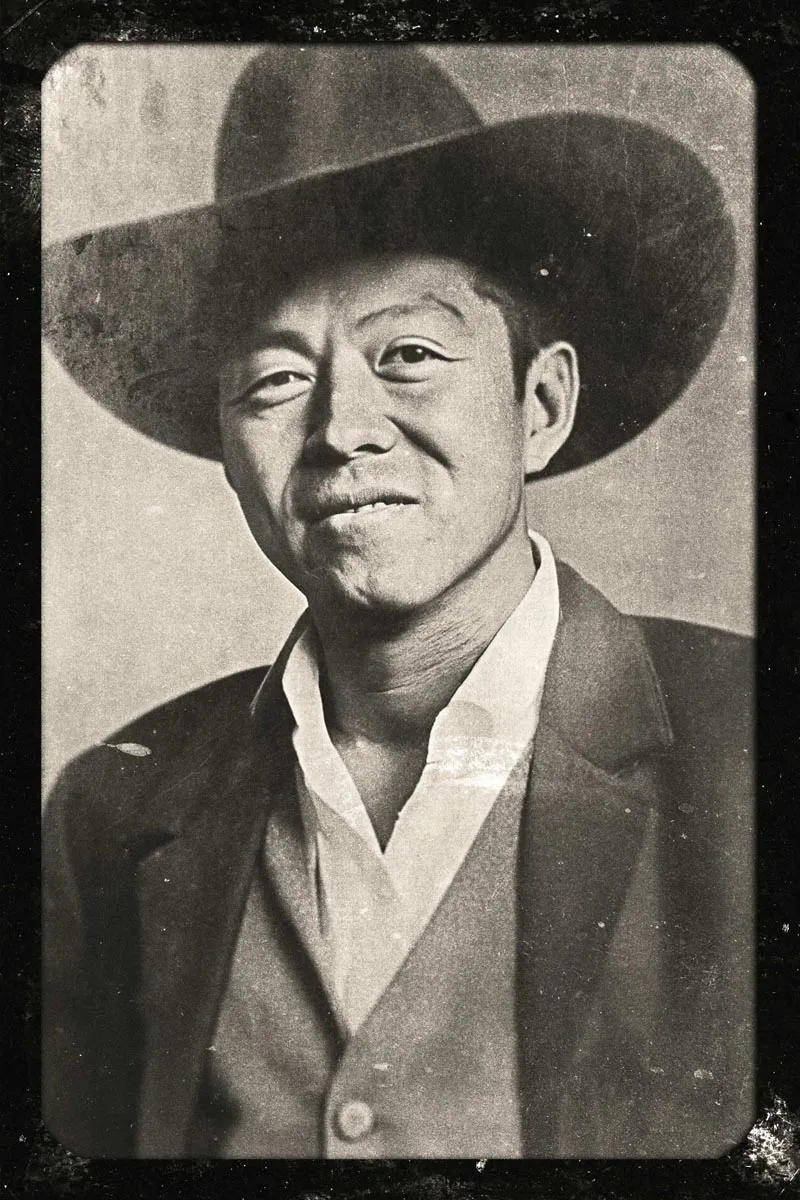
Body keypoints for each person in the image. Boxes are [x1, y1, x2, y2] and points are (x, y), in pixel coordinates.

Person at [42, 46, 753, 1159]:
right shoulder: (112, 812)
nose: (341, 430)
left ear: (539, 405)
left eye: (408, 354)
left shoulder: (752, 745)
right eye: (277, 380)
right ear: (228, 450)